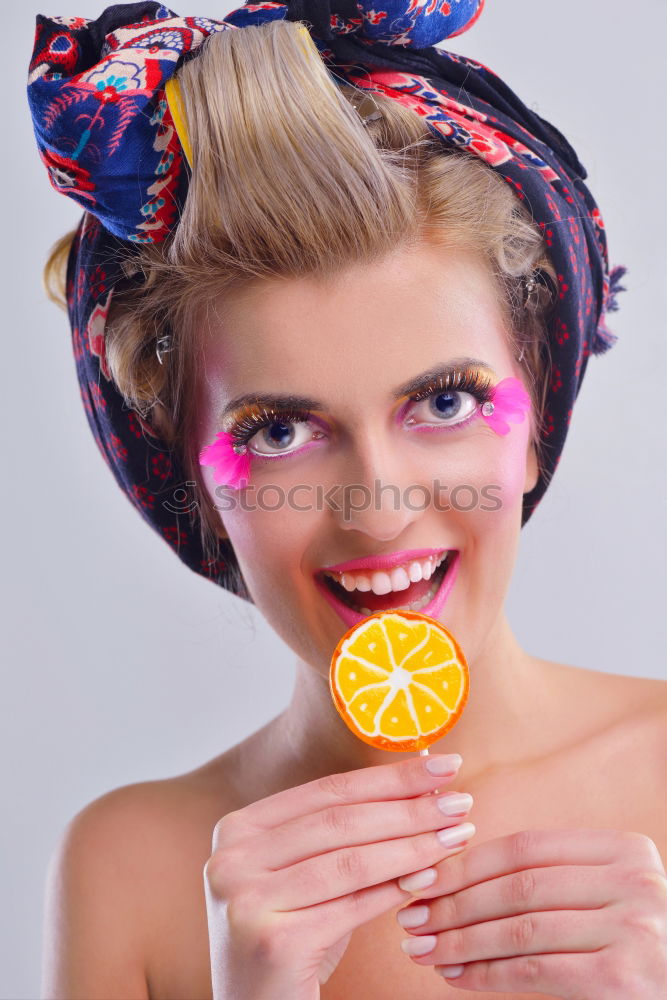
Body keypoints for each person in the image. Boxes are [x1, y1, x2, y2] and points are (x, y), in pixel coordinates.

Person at [28, 2, 667, 997]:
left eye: (444, 401)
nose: (374, 509)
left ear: (535, 419)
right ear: (193, 476)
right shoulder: (133, 870)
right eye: (279, 432)